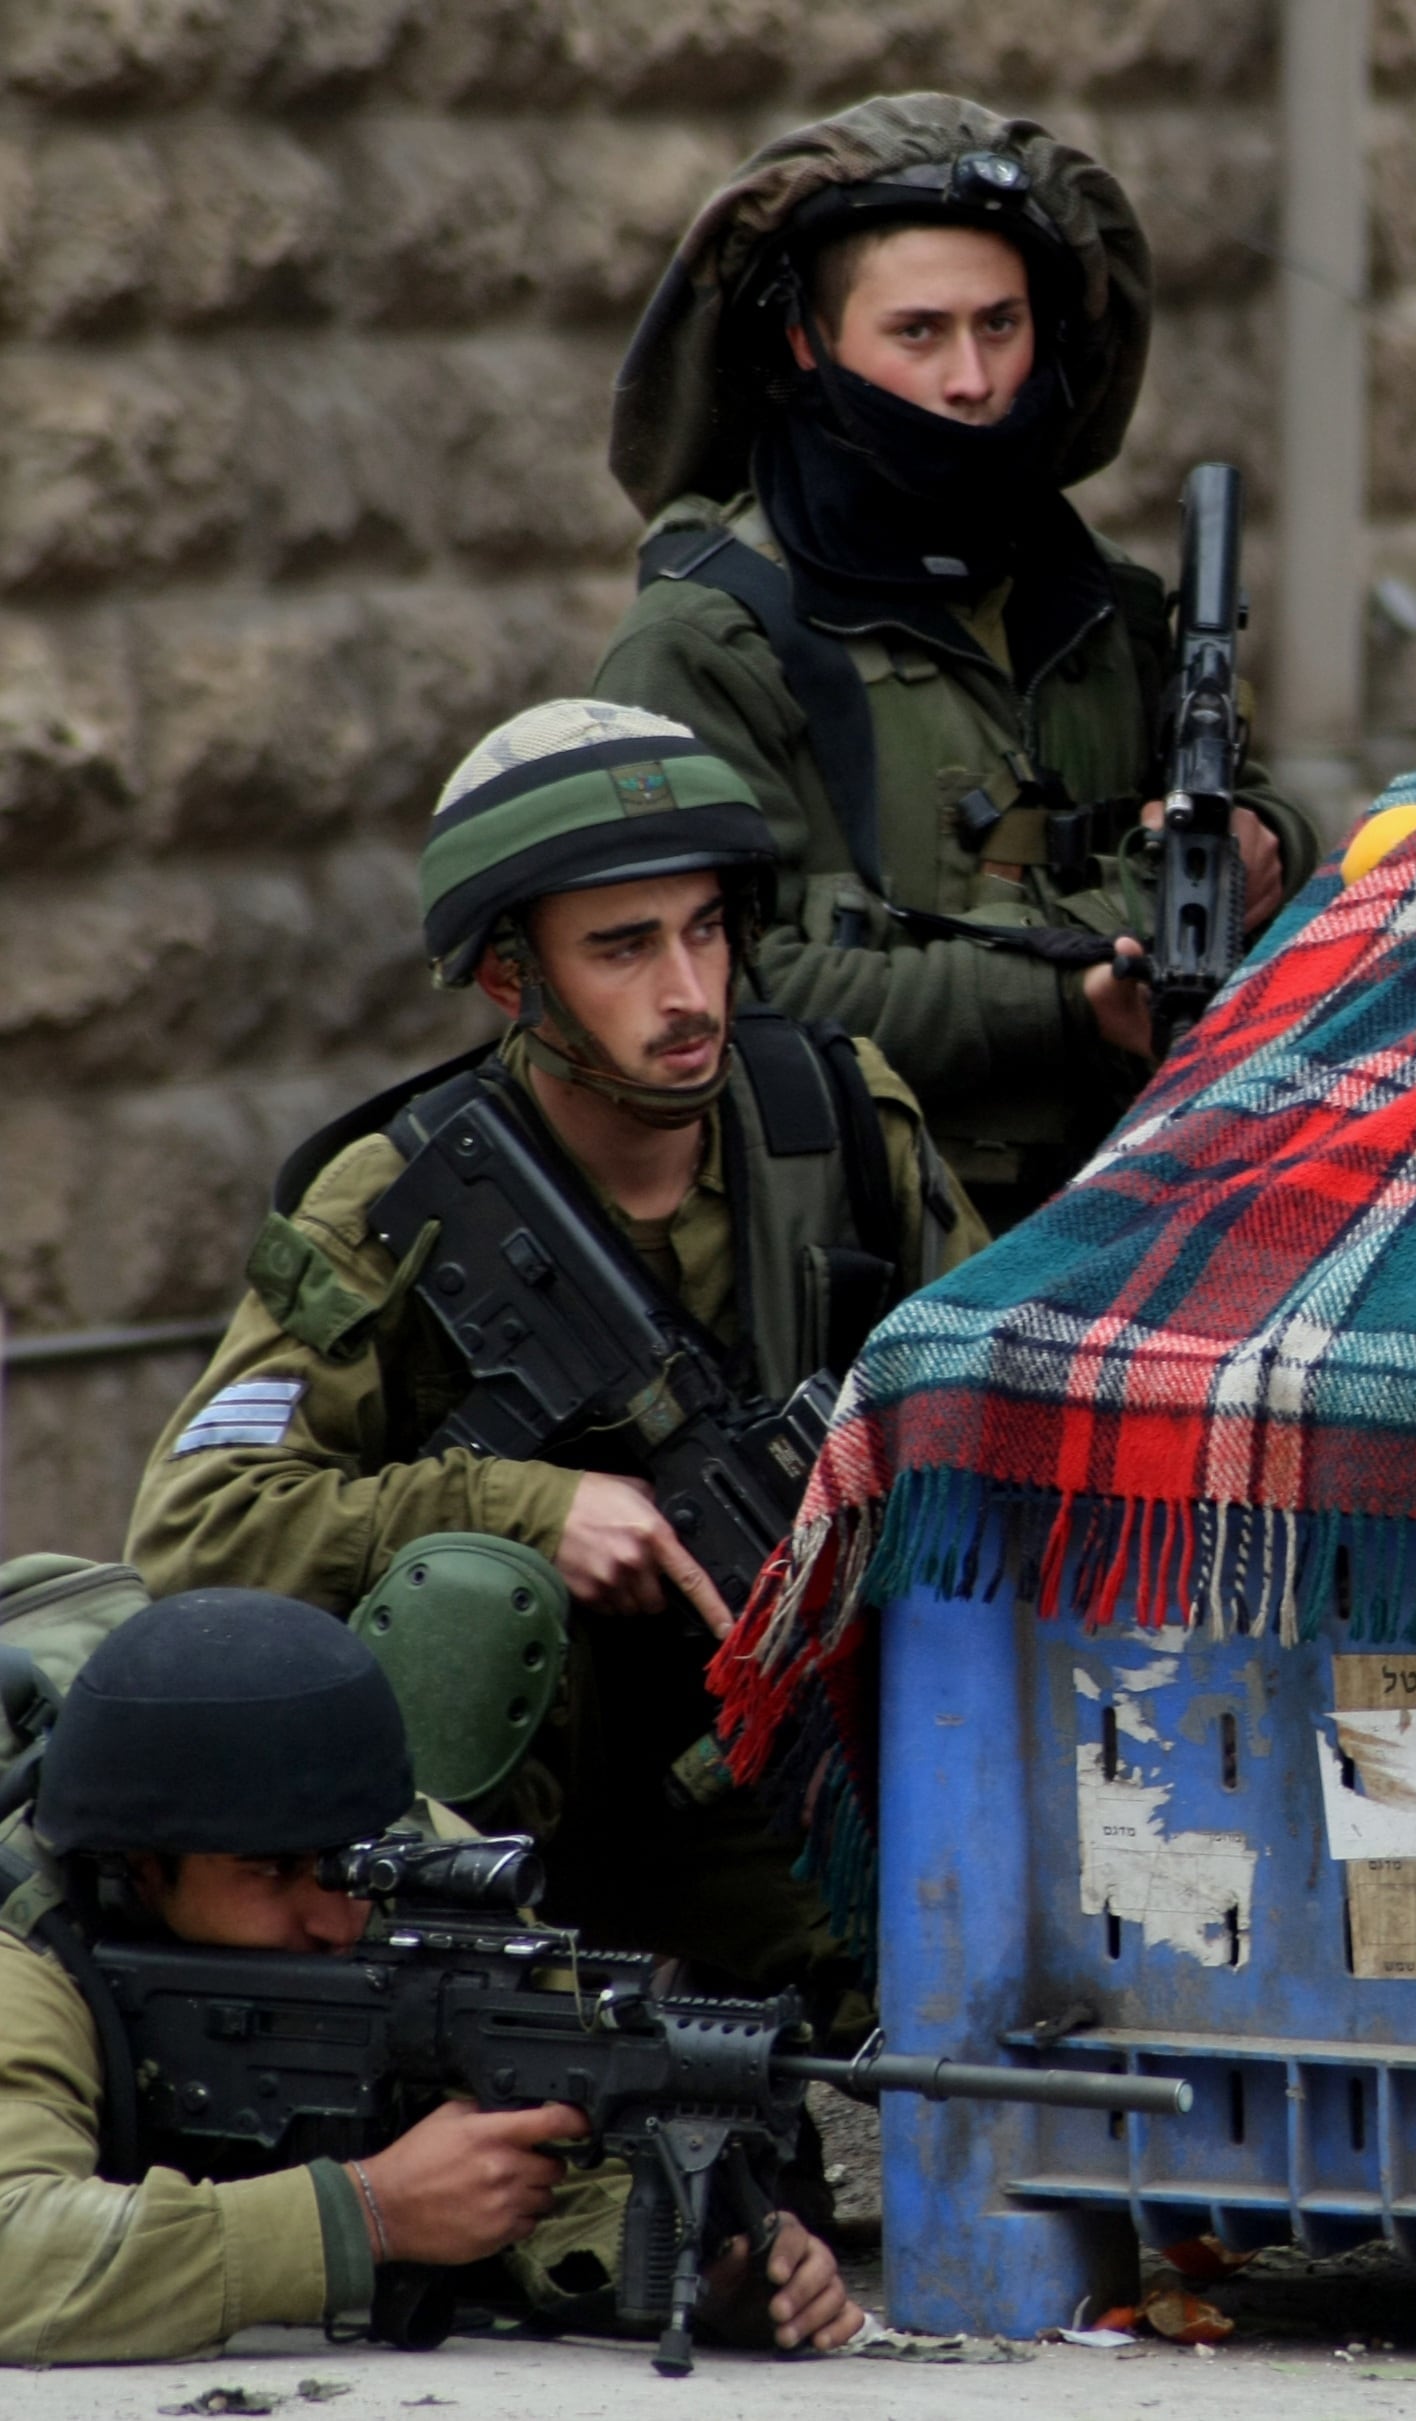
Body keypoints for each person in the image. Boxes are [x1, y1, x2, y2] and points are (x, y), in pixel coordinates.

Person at [128, 699, 986, 2006]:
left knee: (979, 1999)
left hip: (786, 1774)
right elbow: (197, 1525)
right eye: (624, 948)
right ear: (512, 978)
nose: (689, 990)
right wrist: (529, 1510)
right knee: (473, 1601)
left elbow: (996, 1419)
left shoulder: (842, 1126)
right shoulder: (393, 1204)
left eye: (706, 929)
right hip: (491, 1817)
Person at [593, 93, 1324, 1227]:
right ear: (807, 341)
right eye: (918, 332)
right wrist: (1075, 994)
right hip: (849, 1241)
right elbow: (725, 991)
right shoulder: (709, 641)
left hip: (1123, 1211)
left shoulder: (1099, 607)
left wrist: (1266, 844)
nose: (972, 382)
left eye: (1000, 325)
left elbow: (1243, 814)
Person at [0, 1587, 859, 2364]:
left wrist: (708, 2269)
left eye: (349, 1863)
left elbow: (560, 2156)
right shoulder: (28, 1949)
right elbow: (17, 2254)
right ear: (143, 1868)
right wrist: (366, 2213)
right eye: (271, 1871)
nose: (338, 1919)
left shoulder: (433, 1876)